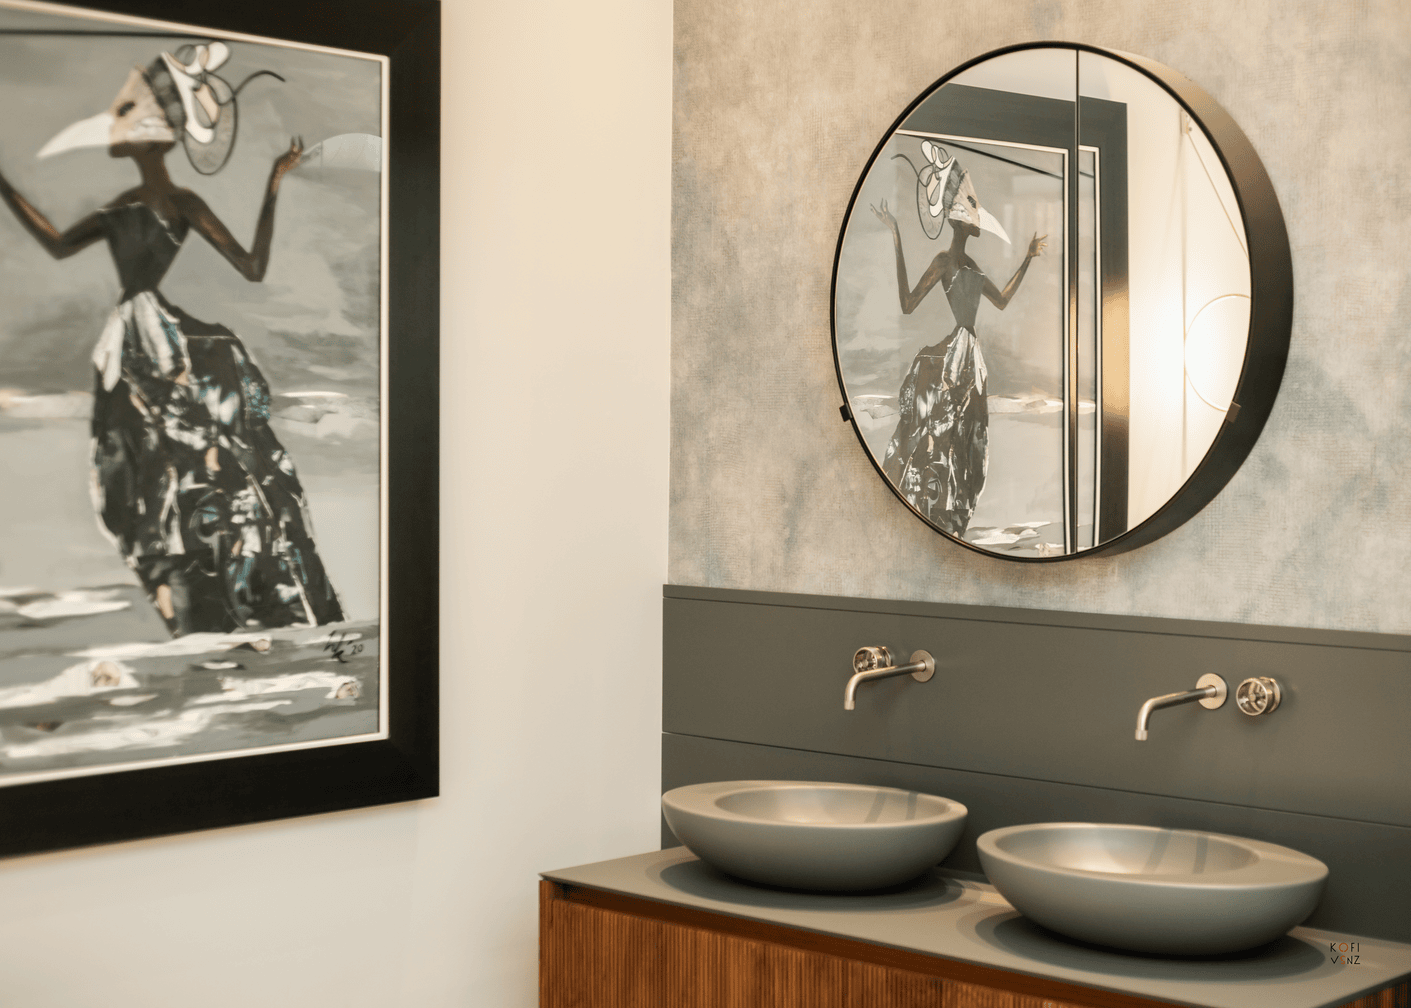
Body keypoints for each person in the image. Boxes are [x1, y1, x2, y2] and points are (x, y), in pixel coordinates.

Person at [0, 43, 343, 635]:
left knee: (144, 473)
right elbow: (254, 266)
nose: (120, 139)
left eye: (126, 130)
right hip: (152, 331)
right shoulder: (175, 203)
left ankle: (205, 586)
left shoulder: (128, 206)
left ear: (148, 142)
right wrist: (272, 184)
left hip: (141, 336)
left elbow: (55, 242)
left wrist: (4, 186)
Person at [871, 141, 1045, 537]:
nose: (978, 223)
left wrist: (1029, 259)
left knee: (967, 442)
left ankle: (949, 515)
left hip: (969, 358)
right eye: (974, 218)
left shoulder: (970, 264)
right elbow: (908, 302)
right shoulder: (945, 262)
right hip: (956, 356)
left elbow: (1000, 301)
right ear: (960, 222)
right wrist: (896, 236)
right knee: (943, 436)